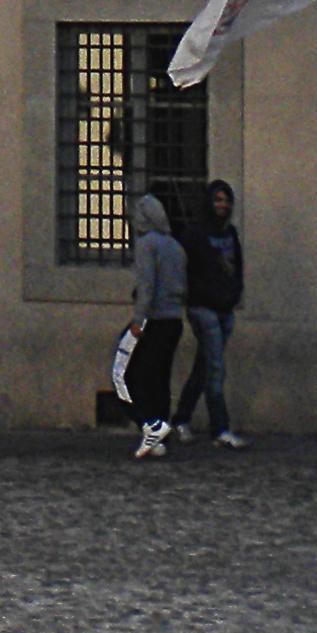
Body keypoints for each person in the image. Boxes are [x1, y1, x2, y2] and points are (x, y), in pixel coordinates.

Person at [173, 179, 247, 448]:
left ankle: (181, 418)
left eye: (226, 200)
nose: (222, 205)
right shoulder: (194, 235)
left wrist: (234, 294)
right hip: (203, 308)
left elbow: (237, 268)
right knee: (215, 368)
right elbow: (185, 270)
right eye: (217, 200)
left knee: (204, 366)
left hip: (225, 309)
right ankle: (220, 429)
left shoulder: (231, 234)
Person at [125, 190, 185, 459]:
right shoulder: (175, 246)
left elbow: (147, 287)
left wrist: (138, 322)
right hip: (173, 320)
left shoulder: (147, 245)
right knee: (160, 380)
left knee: (131, 376)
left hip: (154, 320)